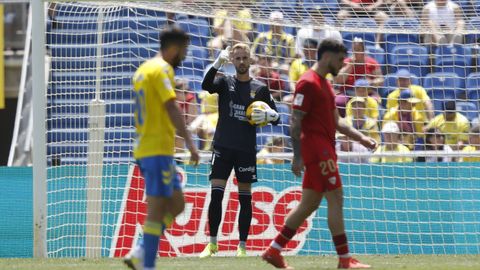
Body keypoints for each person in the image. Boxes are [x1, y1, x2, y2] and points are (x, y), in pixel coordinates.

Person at [261, 39, 377, 269]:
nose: (343, 65)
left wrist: (361, 138)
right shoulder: (307, 83)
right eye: (340, 60)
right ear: (327, 57)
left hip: (325, 147)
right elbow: (295, 121)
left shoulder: (325, 84)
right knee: (336, 197)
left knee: (309, 203)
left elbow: (336, 121)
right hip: (317, 149)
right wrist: (296, 156)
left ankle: (273, 250)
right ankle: (345, 260)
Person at [123, 27, 200, 270]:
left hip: (151, 148)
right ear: (175, 49)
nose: (185, 56)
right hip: (156, 149)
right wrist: (189, 140)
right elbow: (171, 107)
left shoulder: (143, 70)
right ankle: (147, 264)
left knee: (177, 205)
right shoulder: (162, 69)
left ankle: (141, 250)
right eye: (184, 51)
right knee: (156, 210)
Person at [199, 43, 280, 258]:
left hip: (245, 150)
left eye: (245, 57)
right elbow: (205, 84)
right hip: (223, 148)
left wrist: (271, 116)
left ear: (251, 59)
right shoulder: (225, 82)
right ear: (232, 61)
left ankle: (242, 248)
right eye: (238, 58)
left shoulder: (260, 88)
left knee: (245, 199)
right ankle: (213, 244)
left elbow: (277, 116)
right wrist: (218, 62)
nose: (242, 61)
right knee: (216, 196)